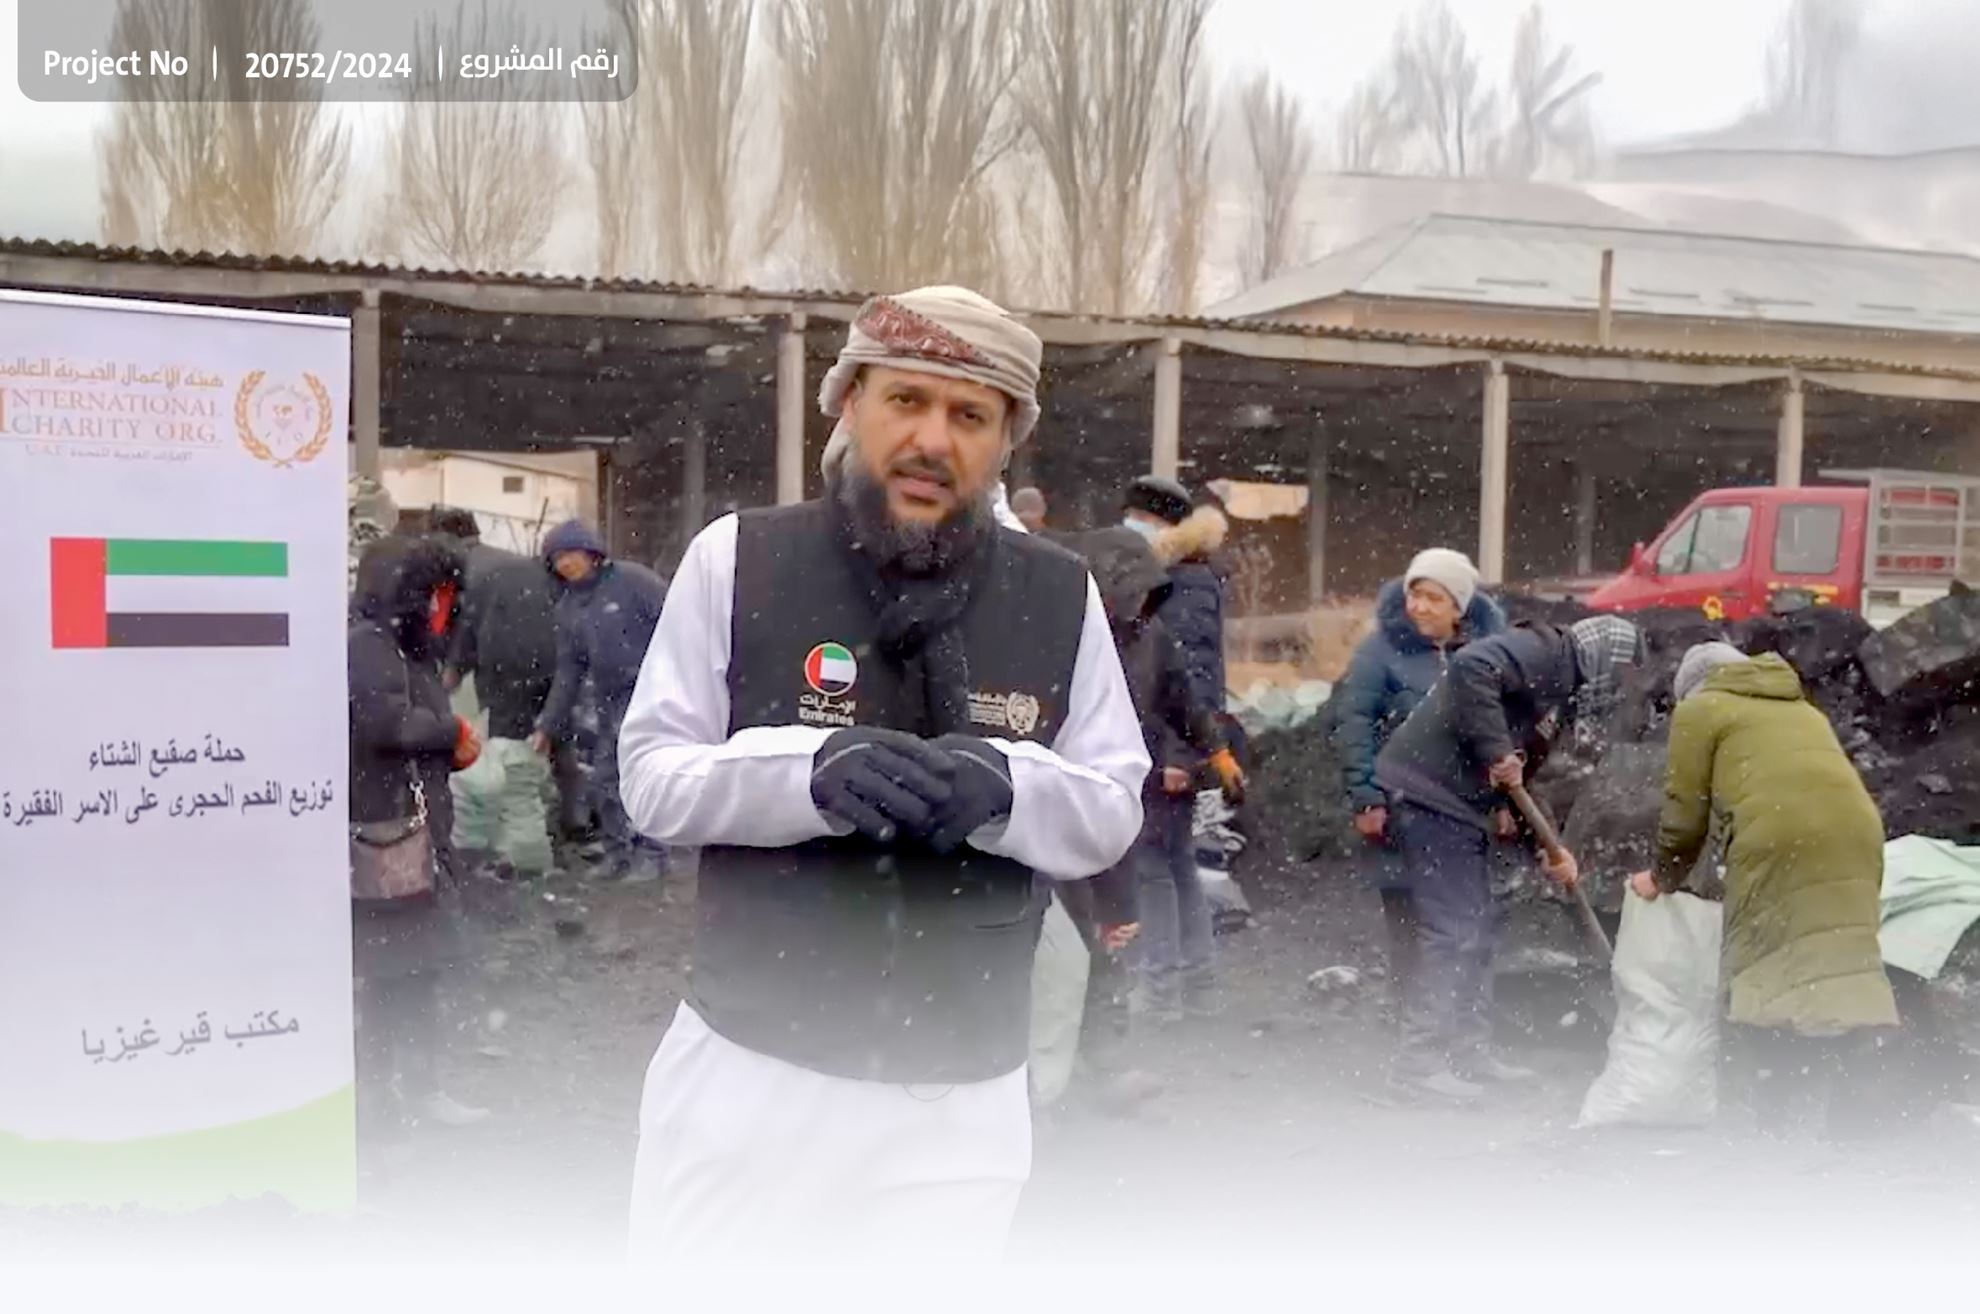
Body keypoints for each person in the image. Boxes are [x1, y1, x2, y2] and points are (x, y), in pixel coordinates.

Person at [616, 284, 1148, 1262]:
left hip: (958, 1103)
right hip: (751, 1078)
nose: (932, 440)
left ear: (1006, 440)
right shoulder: (740, 557)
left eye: (970, 416)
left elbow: (1113, 804)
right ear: (850, 401)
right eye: (907, 400)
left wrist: (1010, 792)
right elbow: (651, 776)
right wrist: (805, 778)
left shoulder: (1058, 593)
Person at [1630, 643, 1899, 1139]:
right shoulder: (1802, 710)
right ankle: (1847, 1113)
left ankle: (1768, 1119)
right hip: (1857, 831)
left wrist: (1663, 876)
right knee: (1837, 961)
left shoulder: (1700, 709)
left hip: (1779, 835)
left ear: (1693, 686)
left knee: (1764, 967)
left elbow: (1685, 812)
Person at [1375, 614, 1643, 1104]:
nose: (1620, 685)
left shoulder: (1561, 692)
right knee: (1456, 930)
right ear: (1605, 657)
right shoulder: (1545, 650)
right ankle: (1416, 1069)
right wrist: (1497, 751)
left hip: (1457, 803)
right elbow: (1470, 667)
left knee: (1478, 930)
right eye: (1622, 671)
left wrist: (1549, 847)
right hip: (1429, 794)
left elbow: (1522, 779)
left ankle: (1468, 1053)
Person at [1057, 525, 1242, 1041]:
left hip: (1141, 777)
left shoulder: (1149, 636)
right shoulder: (1069, 634)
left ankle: (1158, 993)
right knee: (1130, 883)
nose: (1140, 602)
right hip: (1081, 781)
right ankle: (1123, 996)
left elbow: (1183, 699)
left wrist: (1215, 750)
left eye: (1146, 593)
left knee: (1155, 877)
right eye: (1132, 592)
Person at [348, 536, 491, 1134]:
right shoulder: (368, 646)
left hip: (417, 834)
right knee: (390, 979)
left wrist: (446, 751)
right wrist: (448, 731)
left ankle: (413, 1091)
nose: (443, 606)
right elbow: (384, 724)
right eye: (436, 593)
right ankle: (383, 1100)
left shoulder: (404, 648)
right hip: (389, 839)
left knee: (416, 975)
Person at [1334, 549, 1506, 1016]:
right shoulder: (1380, 653)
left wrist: (1501, 801)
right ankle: (1413, 1026)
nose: (1420, 607)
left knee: (1466, 924)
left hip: (1463, 811)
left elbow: (1497, 732)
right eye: (1416, 595)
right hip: (1400, 806)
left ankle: (1462, 1027)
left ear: (1459, 608)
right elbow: (1354, 724)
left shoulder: (1483, 655)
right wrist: (1366, 796)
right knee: (1410, 919)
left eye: (1434, 598)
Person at [1117, 475, 1240, 1018]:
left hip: (1166, 748)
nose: (1132, 528)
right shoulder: (1183, 576)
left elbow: (1190, 678)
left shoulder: (1180, 584)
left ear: (1167, 526)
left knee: (1154, 865)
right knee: (1175, 861)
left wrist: (1178, 756)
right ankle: (1197, 982)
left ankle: (1161, 986)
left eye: (1142, 520)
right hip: (1165, 742)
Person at [425, 507, 560, 882]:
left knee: (510, 769)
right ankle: (562, 834)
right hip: (552, 667)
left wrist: (453, 669)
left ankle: (522, 860)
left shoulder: (462, 570)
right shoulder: (517, 564)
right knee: (537, 757)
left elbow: (465, 627)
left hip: (505, 671)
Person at [530, 519, 667, 882]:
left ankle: (651, 854)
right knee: (605, 781)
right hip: (609, 701)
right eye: (557, 558)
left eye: (571, 553)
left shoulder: (634, 581)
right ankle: (617, 853)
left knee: (646, 776)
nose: (565, 563)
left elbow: (677, 624)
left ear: (592, 553)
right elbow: (569, 670)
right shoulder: (568, 607)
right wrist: (548, 724)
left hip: (652, 694)